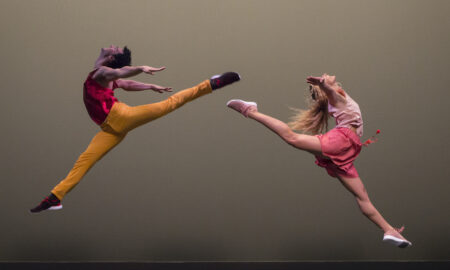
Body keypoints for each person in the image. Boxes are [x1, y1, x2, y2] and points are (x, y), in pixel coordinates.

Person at [30, 45, 240, 213]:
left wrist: (141, 69)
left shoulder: (103, 71)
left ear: (111, 59)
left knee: (171, 103)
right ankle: (55, 197)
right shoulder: (101, 69)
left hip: (120, 117)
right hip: (110, 129)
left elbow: (122, 73)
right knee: (84, 161)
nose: (112, 46)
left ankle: (210, 84)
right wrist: (149, 85)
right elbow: (125, 83)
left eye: (115, 49)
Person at [226, 74, 411, 248]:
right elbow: (330, 92)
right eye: (327, 77)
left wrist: (324, 86)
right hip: (341, 142)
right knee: (293, 139)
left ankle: (389, 230)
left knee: (362, 197)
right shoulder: (336, 97)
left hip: (345, 150)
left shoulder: (340, 97)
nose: (330, 75)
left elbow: (331, 91)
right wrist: (324, 85)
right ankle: (250, 110)